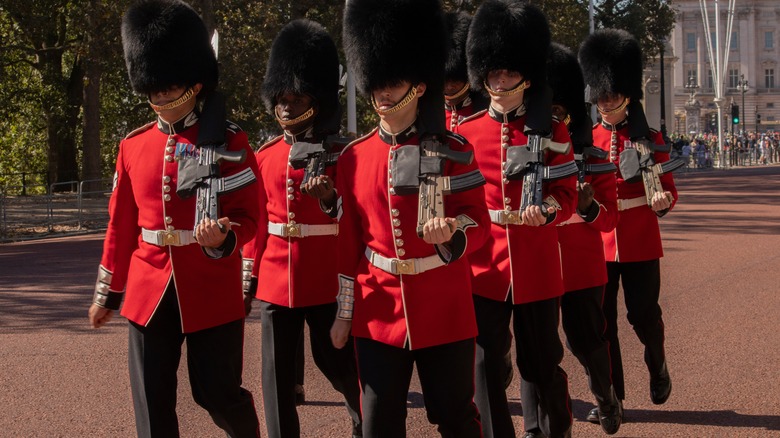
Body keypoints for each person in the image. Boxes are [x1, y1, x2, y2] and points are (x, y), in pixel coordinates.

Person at [87, 1, 261, 436]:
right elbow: (121, 224)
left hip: (209, 281)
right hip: (149, 284)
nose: (161, 98)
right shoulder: (133, 146)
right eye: (155, 89)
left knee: (217, 394)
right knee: (152, 401)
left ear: (194, 84)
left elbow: (250, 216)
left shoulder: (229, 139)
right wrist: (109, 292)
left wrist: (224, 237)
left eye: (170, 89)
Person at [333, 0, 490, 435]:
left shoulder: (455, 149)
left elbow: (479, 221)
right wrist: (345, 313)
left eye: (394, 82)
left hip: (444, 303)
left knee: (457, 418)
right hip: (378, 309)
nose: (383, 93)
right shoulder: (354, 156)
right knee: (379, 423)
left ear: (419, 87)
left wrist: (455, 232)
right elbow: (349, 244)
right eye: (377, 82)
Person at [458, 1, 577, 437]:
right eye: (494, 74)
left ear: (527, 76)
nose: (501, 81)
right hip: (484, 265)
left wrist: (547, 211)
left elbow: (565, 194)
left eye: (509, 74)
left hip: (535, 261)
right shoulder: (466, 133)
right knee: (486, 366)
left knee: (542, 363)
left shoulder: (551, 132)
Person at [241, 19, 362, 438]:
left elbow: (359, 219)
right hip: (277, 278)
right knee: (274, 379)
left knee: (339, 364)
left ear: (317, 98)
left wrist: (329, 201)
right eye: (281, 98)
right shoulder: (267, 154)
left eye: (296, 97)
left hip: (325, 276)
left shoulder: (345, 153)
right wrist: (247, 277)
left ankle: (365, 423)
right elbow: (259, 221)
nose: (287, 106)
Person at [519, 43, 622, 437]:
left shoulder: (593, 157)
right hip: (537, 260)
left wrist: (587, 207)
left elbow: (609, 219)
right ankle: (534, 427)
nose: (555, 117)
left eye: (561, 111)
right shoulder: (522, 152)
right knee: (536, 348)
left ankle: (605, 395)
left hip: (580, 264)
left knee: (586, 340)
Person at [579, 28, 678, 418]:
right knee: (603, 323)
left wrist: (662, 199)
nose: (606, 102)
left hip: (639, 238)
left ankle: (658, 363)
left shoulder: (650, 139)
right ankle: (613, 397)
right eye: (601, 95)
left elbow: (668, 189)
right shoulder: (588, 140)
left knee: (643, 315)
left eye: (613, 94)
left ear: (626, 94)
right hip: (600, 240)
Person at [443, 11, 489, 134]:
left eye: (455, 80)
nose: (449, 87)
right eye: (444, 81)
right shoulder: (426, 116)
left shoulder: (485, 111)